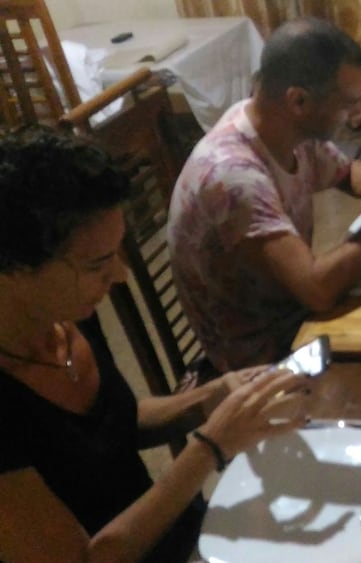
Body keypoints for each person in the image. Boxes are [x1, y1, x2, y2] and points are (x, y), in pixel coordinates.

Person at [0, 126, 310, 562]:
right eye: (98, 263)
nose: (120, 275)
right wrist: (210, 447)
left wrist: (211, 396)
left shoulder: (63, 318)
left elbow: (109, 427)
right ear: (14, 268)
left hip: (179, 536)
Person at [168, 17, 361, 372]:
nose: (358, 114)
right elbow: (317, 291)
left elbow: (347, 171)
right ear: (299, 100)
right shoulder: (233, 176)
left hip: (293, 313)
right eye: (349, 102)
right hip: (262, 361)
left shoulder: (279, 127)